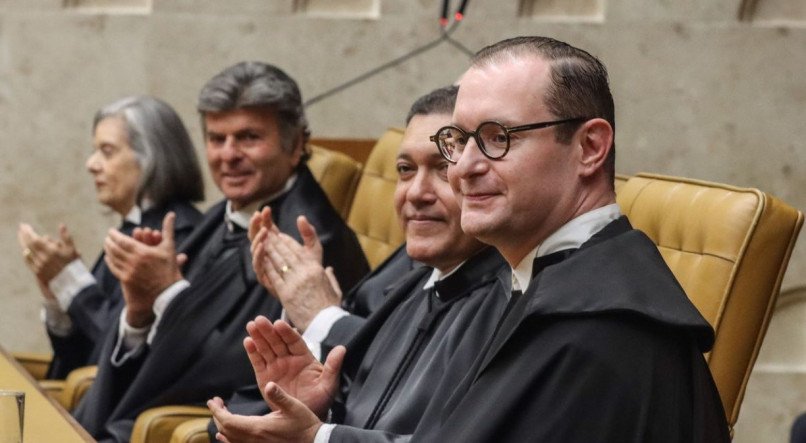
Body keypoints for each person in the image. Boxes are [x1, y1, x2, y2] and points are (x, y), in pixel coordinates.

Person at [215, 36, 731, 442]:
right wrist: (319, 421)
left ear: (590, 147)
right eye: (458, 141)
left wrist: (318, 440)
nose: (464, 167)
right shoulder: (543, 282)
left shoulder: (597, 325)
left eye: (497, 138)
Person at [72, 61, 369, 443]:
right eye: (216, 139)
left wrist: (167, 296)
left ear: (295, 145)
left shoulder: (306, 239)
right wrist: (140, 309)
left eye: (247, 137)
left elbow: (245, 368)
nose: (228, 155)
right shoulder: (224, 213)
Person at [207, 85, 509, 442]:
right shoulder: (425, 275)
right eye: (405, 169)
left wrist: (317, 434)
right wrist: (314, 409)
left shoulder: (507, 300)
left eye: (443, 168)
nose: (415, 193)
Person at [17, 96, 204, 379]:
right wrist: (57, 297)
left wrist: (71, 281)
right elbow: (82, 356)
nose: (91, 164)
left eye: (107, 151)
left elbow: (122, 346)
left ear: (150, 158)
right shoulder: (129, 229)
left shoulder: (175, 235)